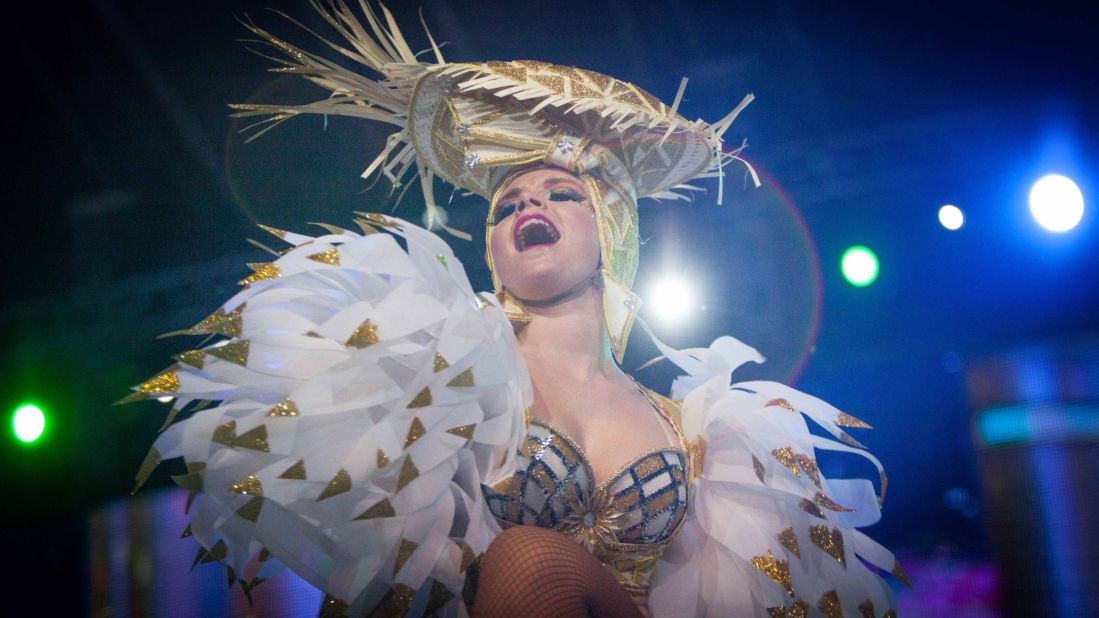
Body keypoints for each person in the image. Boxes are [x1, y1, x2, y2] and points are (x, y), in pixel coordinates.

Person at [126, 2, 903, 616]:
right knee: (525, 561)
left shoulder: (695, 429)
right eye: (507, 205)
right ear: (491, 251)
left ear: (613, 235)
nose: (531, 202)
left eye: (563, 193)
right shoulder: (435, 375)